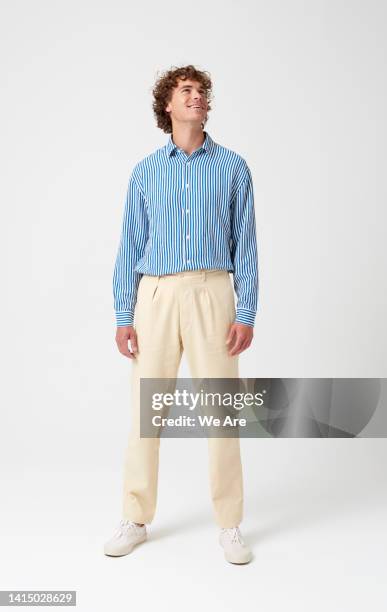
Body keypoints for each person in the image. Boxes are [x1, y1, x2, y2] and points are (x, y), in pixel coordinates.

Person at [104, 65, 259, 564]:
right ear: (167, 106)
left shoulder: (234, 168)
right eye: (186, 91)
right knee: (147, 413)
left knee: (221, 412)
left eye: (202, 92)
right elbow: (130, 244)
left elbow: (247, 245)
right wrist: (123, 313)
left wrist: (248, 310)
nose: (197, 98)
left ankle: (231, 526)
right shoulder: (146, 171)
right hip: (155, 296)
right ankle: (135, 517)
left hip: (213, 292)